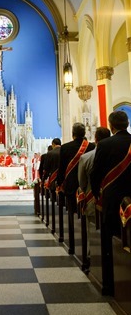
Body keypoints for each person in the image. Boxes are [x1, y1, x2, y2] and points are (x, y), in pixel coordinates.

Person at [90, 111, 131, 295]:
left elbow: (95, 173)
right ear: (127, 123)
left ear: (111, 126)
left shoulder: (105, 144)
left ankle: (110, 284)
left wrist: (97, 193)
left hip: (112, 199)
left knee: (110, 236)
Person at [57, 122, 95, 254]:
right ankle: (90, 246)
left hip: (71, 187)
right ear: (84, 133)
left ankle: (73, 245)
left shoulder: (66, 147)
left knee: (73, 214)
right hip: (88, 189)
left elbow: (61, 169)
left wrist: (60, 183)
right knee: (88, 217)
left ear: (73, 134)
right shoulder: (92, 146)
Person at [78, 127, 110, 271]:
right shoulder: (120, 153)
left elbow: (82, 183)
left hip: (93, 200)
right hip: (114, 200)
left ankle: (93, 260)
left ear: (95, 139)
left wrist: (88, 192)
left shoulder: (86, 157)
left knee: (92, 229)